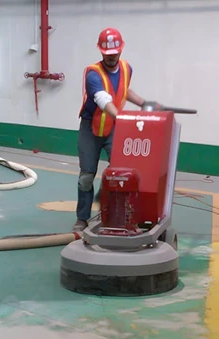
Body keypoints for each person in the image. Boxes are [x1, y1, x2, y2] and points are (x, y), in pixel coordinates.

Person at [73, 27, 157, 231]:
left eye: (115, 53)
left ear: (121, 50)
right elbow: (103, 99)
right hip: (90, 129)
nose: (111, 57)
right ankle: (82, 218)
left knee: (120, 171)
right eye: (107, 54)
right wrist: (122, 117)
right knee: (86, 176)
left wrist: (144, 103)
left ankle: (109, 208)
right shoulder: (92, 73)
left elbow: (123, 90)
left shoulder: (127, 68)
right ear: (101, 52)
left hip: (113, 129)